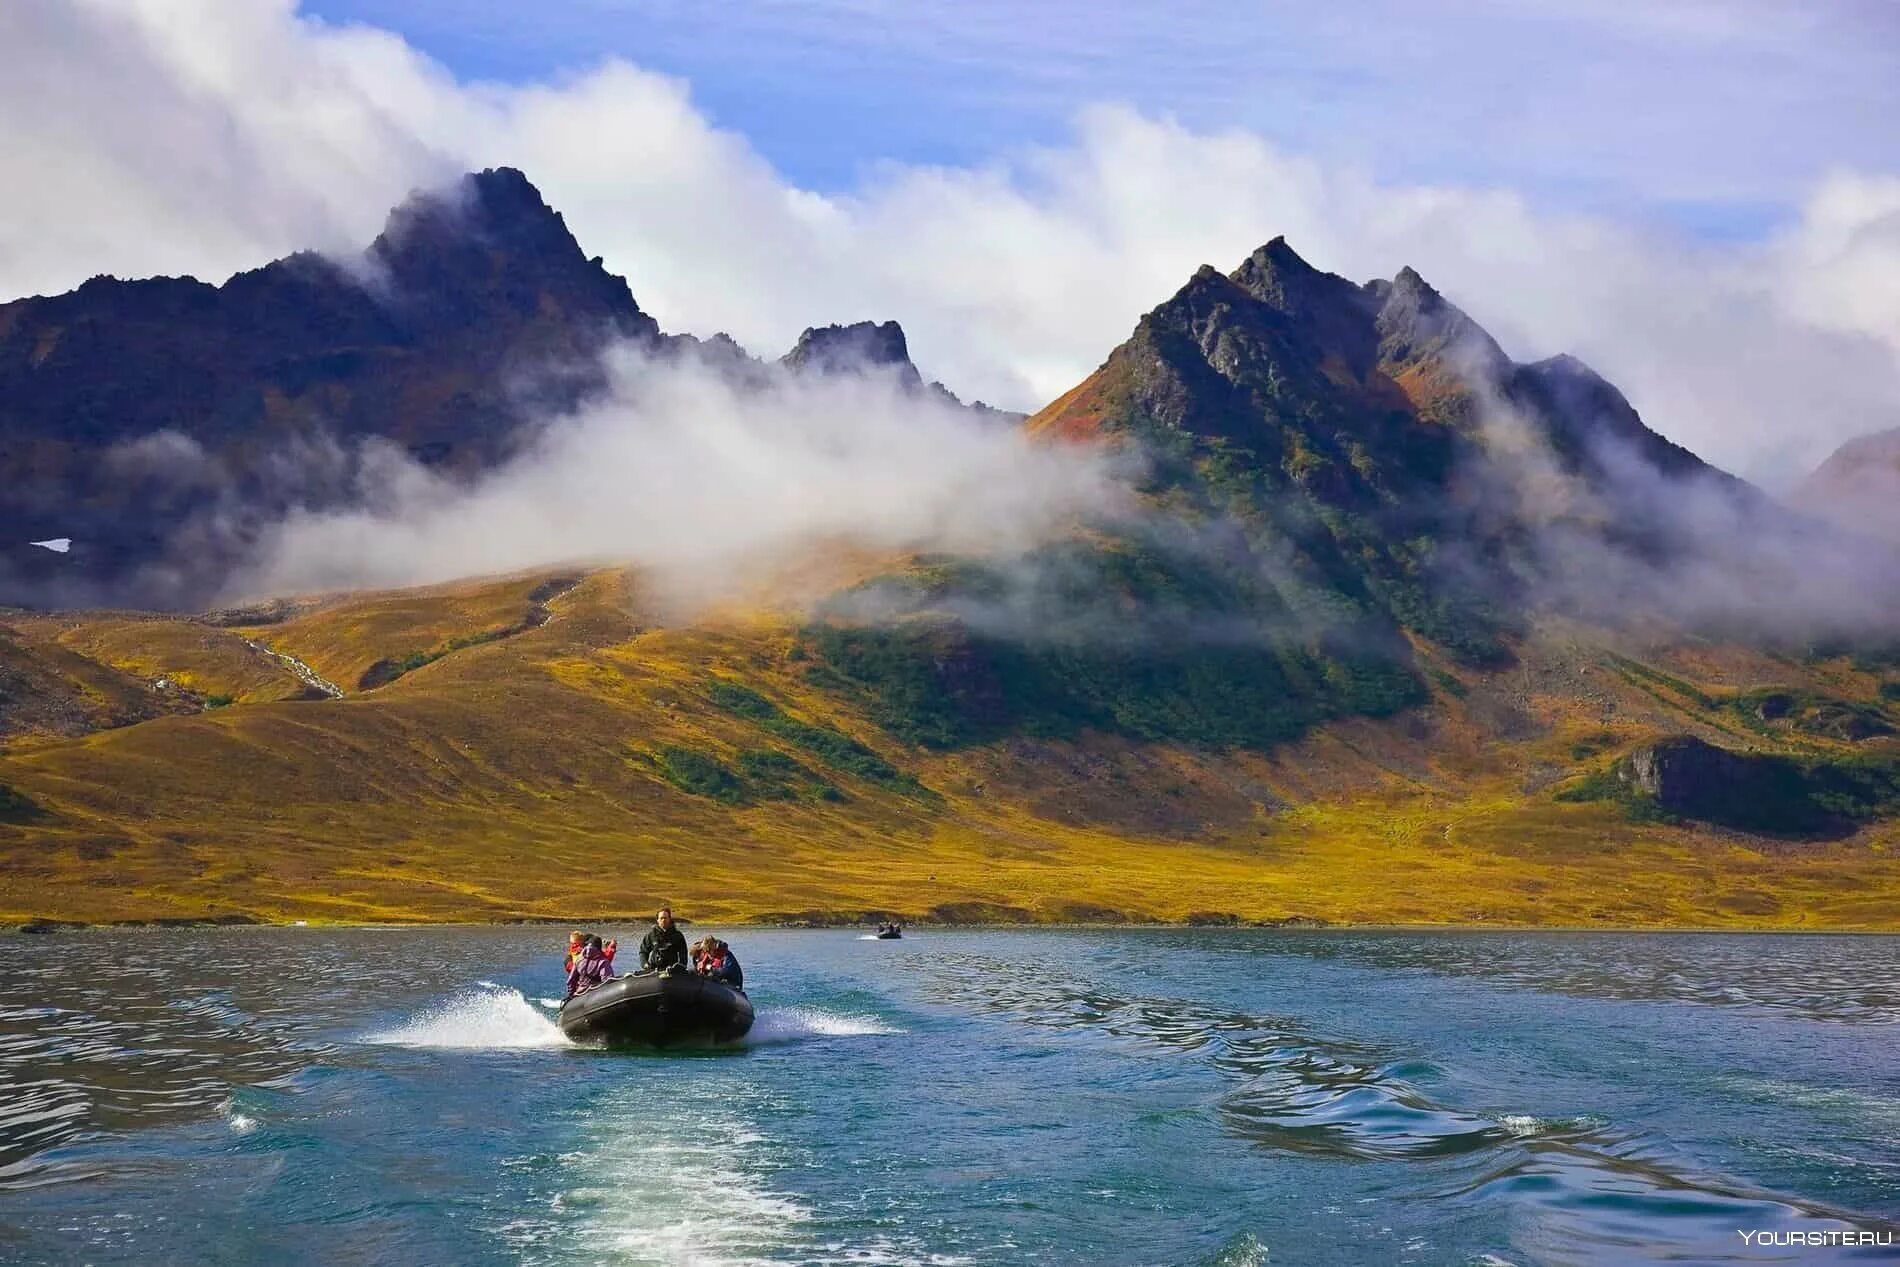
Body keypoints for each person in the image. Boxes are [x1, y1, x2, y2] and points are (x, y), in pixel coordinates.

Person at [639, 906, 689, 974]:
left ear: (669, 919)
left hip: (672, 971)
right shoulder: (651, 935)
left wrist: (681, 966)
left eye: (665, 918)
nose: (663, 920)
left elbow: (683, 953)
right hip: (654, 971)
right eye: (661, 918)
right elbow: (643, 951)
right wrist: (645, 964)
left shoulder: (678, 935)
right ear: (657, 920)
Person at [564, 935, 615, 1000]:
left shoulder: (579, 960)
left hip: (579, 994)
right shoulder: (603, 962)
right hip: (595, 995)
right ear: (599, 947)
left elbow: (571, 980)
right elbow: (608, 981)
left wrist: (571, 995)